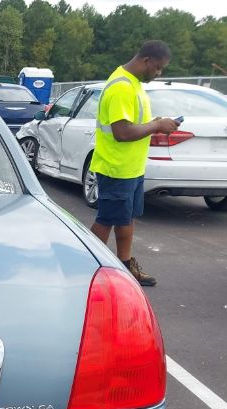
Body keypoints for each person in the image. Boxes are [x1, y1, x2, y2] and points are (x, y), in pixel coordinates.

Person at [89, 40, 180, 286]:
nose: (159, 73)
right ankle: (88, 267)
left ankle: (126, 266)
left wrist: (154, 122)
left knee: (126, 218)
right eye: (158, 68)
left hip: (131, 168)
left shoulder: (134, 84)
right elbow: (122, 133)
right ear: (146, 60)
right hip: (116, 168)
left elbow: (134, 124)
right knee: (107, 219)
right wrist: (157, 125)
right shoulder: (122, 87)